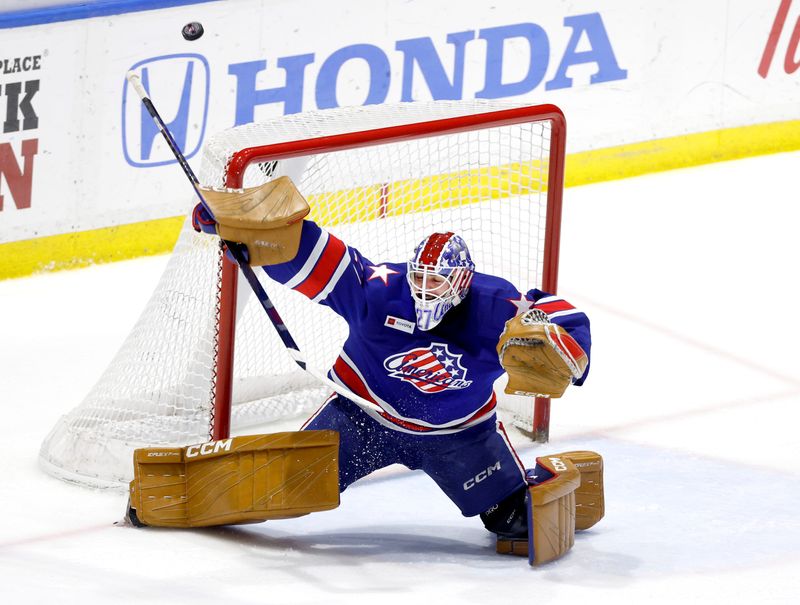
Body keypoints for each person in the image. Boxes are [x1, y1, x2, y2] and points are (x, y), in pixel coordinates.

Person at [191, 176, 592, 553]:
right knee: (285, 490)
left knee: (514, 522)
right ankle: (193, 495)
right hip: (360, 417)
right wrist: (253, 233)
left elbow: (559, 315)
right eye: (419, 277)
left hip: (458, 436)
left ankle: (554, 477)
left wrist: (568, 344)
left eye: (436, 281)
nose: (423, 288)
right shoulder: (381, 291)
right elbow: (316, 258)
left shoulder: (496, 308)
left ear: (462, 280)